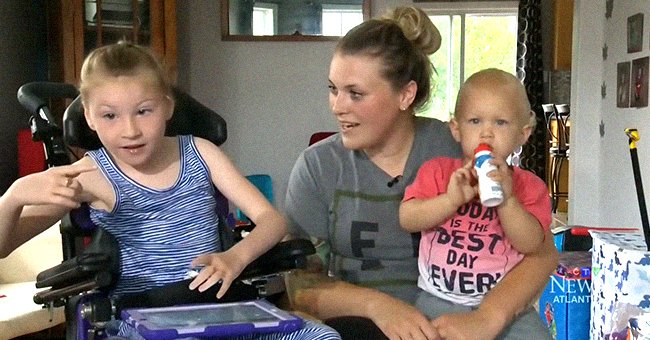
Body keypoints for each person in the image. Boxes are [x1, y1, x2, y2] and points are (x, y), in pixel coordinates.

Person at [0, 42, 339, 339]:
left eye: (144, 111)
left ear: (166, 107)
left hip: (222, 309)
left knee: (322, 336)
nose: (130, 130)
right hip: (144, 320)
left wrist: (235, 258)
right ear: (89, 117)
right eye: (110, 116)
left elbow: (271, 221)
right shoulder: (89, 175)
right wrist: (13, 197)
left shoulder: (201, 152)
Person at [284, 6, 559, 340]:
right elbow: (296, 285)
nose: (337, 106)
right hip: (359, 326)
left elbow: (541, 253)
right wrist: (379, 307)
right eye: (333, 89)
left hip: (463, 326)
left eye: (355, 93)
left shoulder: (462, 148)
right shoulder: (317, 167)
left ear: (405, 94)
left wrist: (489, 318)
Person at [399, 68, 552, 339]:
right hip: (437, 299)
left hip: (503, 305)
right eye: (474, 121)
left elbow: (531, 245)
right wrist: (449, 200)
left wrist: (508, 201)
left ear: (524, 133)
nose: (487, 134)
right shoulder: (437, 171)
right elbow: (408, 218)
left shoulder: (529, 186)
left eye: (501, 123)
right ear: (456, 129)